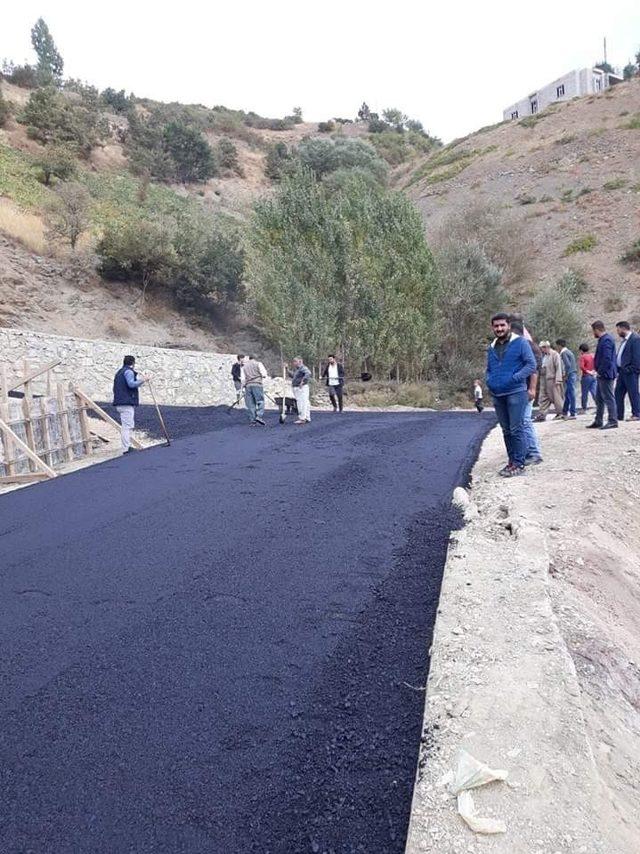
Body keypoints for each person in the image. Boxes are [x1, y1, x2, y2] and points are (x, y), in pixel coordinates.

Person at [485, 312, 536, 477]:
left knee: (516, 428)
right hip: (498, 394)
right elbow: (489, 368)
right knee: (506, 430)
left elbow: (531, 365)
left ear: (508, 326)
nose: (499, 329)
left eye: (502, 325)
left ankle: (519, 463)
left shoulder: (520, 343)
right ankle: (512, 461)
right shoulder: (492, 347)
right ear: (493, 328)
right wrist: (489, 380)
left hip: (516, 393)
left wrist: (515, 378)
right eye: (496, 326)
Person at [510, 318, 542, 465]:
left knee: (525, 420)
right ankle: (526, 451)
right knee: (521, 421)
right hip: (520, 390)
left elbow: (533, 370)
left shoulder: (527, 346)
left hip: (526, 390)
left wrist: (532, 389)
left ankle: (534, 453)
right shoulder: (520, 346)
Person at [586, 321, 618, 430]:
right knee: (599, 398)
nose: (593, 333)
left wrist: (600, 371)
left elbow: (607, 359)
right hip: (602, 374)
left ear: (597, 330)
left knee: (609, 397)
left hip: (606, 374)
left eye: (593, 331)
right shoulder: (603, 340)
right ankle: (598, 420)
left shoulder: (607, 340)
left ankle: (613, 421)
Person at [112, 355, 147, 454]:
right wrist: (143, 380)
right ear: (133, 363)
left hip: (120, 402)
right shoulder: (128, 372)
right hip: (126, 402)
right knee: (127, 426)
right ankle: (126, 448)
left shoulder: (119, 373)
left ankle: (126, 447)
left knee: (126, 425)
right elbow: (131, 384)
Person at [614, 321, 640, 422]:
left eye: (618, 329)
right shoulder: (624, 341)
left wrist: (632, 369)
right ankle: (618, 415)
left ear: (623, 328)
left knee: (633, 393)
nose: (617, 332)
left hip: (630, 372)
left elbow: (637, 357)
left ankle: (637, 414)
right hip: (622, 372)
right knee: (618, 393)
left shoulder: (635, 339)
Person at [536, 341, 564, 421]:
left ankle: (560, 413)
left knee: (556, 397)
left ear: (546, 347)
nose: (541, 350)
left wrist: (558, 379)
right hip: (544, 378)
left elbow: (558, 367)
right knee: (543, 396)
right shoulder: (544, 356)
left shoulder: (555, 354)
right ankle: (542, 414)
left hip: (553, 379)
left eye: (542, 348)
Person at [243, 355, 268, 426]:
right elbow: (264, 374)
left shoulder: (244, 367)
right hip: (257, 384)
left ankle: (252, 420)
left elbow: (242, 379)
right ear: (255, 358)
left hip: (248, 386)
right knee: (260, 401)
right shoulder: (258, 364)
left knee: (250, 404)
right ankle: (259, 416)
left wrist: (243, 386)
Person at [556, 338, 578, 420]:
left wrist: (566, 375)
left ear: (559, 345)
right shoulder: (569, 352)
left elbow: (567, 365)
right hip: (573, 374)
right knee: (568, 394)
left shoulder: (564, 353)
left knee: (571, 394)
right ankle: (564, 412)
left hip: (570, 375)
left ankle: (573, 413)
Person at [290, 357, 312, 425]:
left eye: (295, 362)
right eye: (293, 362)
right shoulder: (298, 370)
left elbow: (308, 373)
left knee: (301, 402)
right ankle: (307, 417)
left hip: (301, 388)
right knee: (305, 402)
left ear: (300, 361)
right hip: (298, 388)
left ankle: (302, 418)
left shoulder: (303, 368)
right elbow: (293, 376)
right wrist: (287, 370)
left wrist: (303, 382)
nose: (294, 363)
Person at [578, 343, 597, 413]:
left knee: (584, 393)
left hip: (586, 376)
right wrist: (593, 371)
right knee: (594, 392)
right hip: (593, 376)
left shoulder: (583, 357)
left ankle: (584, 409)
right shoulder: (592, 356)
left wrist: (587, 371)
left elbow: (582, 367)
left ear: (581, 350)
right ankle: (599, 407)